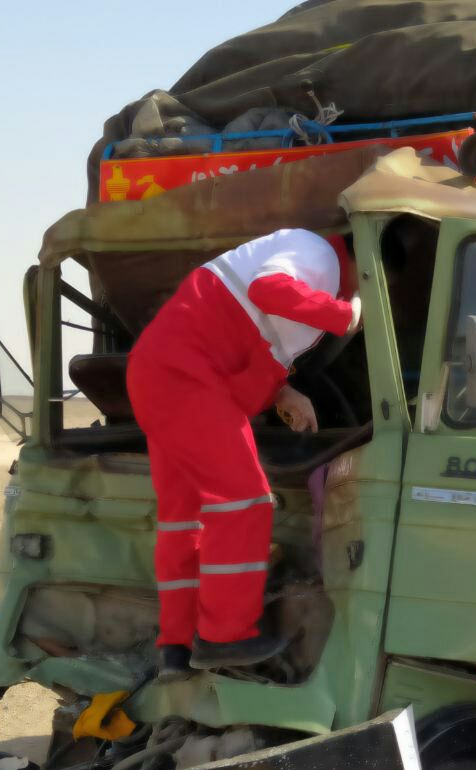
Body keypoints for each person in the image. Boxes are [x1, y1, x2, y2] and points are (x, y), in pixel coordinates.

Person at [126, 227, 362, 677]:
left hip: (161, 371)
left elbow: (246, 334)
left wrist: (283, 392)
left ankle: (177, 644)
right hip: (185, 373)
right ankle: (225, 636)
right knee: (244, 500)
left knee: (184, 517)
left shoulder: (301, 255)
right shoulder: (316, 251)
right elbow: (267, 290)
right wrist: (343, 315)